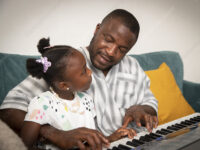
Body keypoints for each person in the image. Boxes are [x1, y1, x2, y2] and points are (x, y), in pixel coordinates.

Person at [0, 9, 158, 149]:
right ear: (97, 30)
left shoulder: (132, 66)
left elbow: (150, 102)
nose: (111, 51)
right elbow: (8, 110)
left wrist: (142, 109)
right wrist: (56, 134)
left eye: (122, 49)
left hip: (136, 142)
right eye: (108, 40)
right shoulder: (68, 63)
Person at [20, 38, 136, 150]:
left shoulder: (86, 100)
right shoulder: (41, 104)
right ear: (64, 85)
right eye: (84, 71)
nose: (90, 72)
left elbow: (90, 142)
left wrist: (112, 138)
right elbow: (23, 145)